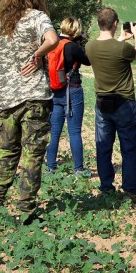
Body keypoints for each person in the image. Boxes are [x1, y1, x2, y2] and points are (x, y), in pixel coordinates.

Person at [0, 0, 59, 224]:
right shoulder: (38, 17)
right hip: (35, 97)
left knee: (6, 151)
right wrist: (37, 55)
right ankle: (26, 208)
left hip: (6, 100)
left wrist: (3, 90)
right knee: (32, 153)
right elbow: (52, 40)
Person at [85, 8, 136, 202]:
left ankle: (106, 187)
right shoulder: (121, 48)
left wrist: (120, 38)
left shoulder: (90, 46)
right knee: (128, 148)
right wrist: (135, 35)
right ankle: (130, 189)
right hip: (124, 103)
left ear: (98, 23)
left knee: (103, 148)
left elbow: (110, 48)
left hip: (102, 102)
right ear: (115, 23)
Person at [46, 18, 92, 176]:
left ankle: (50, 166)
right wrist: (81, 45)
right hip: (72, 89)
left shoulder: (51, 43)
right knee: (74, 132)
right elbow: (88, 61)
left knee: (54, 132)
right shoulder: (73, 47)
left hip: (54, 90)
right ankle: (79, 169)